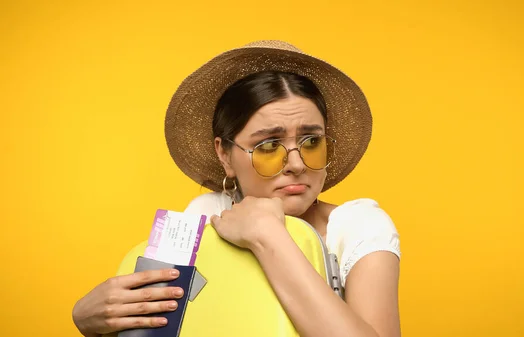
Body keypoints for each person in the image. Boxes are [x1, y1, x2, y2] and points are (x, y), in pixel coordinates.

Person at [72, 40, 402, 337]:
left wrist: (268, 235)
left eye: (311, 141)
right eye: (269, 145)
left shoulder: (358, 226)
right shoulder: (203, 217)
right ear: (225, 154)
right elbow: (158, 326)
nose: (297, 164)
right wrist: (89, 319)